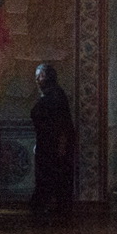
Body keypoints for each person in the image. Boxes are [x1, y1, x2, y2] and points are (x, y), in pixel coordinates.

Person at [30, 63, 76, 219]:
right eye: (36, 76)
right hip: (46, 144)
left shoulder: (56, 96)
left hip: (54, 146)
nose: (38, 79)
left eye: (41, 75)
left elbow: (62, 124)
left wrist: (62, 145)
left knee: (54, 177)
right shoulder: (49, 95)